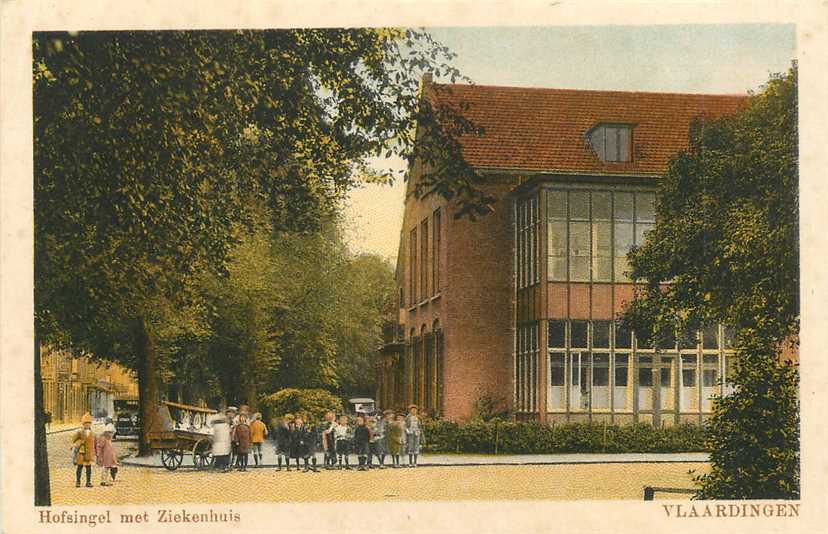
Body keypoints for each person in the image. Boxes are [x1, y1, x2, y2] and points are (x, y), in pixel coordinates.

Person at [70, 412, 95, 487]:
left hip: (88, 453)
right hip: (81, 453)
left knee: (88, 468)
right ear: (83, 424)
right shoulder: (79, 432)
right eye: (85, 423)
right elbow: (73, 440)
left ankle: (88, 482)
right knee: (79, 467)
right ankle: (78, 482)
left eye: (89, 423)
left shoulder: (91, 432)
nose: (87, 425)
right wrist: (79, 442)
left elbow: (93, 443)